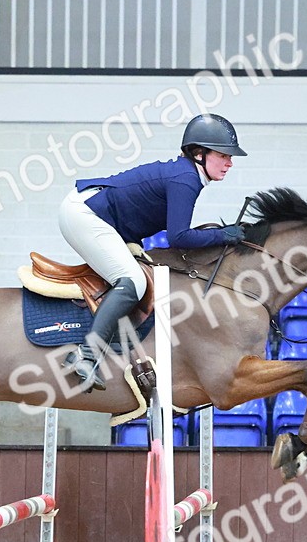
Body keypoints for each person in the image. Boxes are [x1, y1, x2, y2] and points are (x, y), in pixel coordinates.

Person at [57, 113, 248, 393]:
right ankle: (86, 355)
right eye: (223, 155)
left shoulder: (186, 175)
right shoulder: (185, 179)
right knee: (133, 282)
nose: (230, 162)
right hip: (86, 214)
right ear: (199, 154)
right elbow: (179, 237)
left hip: (99, 217)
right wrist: (224, 234)